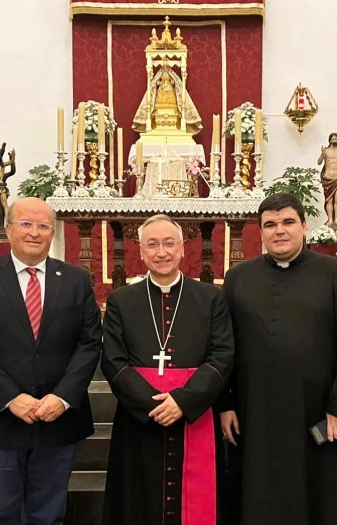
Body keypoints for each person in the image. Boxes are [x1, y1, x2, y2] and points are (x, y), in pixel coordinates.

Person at [219, 193, 337, 524]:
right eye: (270, 225)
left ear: (304, 226)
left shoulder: (336, 274)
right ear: (260, 232)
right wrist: (226, 403)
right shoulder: (238, 278)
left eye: (288, 222)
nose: (279, 231)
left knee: (322, 497)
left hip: (318, 413)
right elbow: (224, 346)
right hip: (254, 411)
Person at [0, 197, 102, 525]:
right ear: (9, 230)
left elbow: (90, 343)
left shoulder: (76, 280)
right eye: (25, 224)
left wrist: (63, 397)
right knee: (0, 515)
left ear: (53, 233)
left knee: (49, 516)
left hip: (57, 418)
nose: (34, 232)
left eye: (43, 225)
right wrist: (10, 397)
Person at [101, 214, 234, 525]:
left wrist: (184, 401)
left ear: (182, 249)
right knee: (137, 497)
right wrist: (153, 406)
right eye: (153, 245)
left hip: (195, 411)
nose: (161, 252)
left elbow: (223, 355)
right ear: (142, 252)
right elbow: (113, 360)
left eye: (169, 243)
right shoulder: (121, 300)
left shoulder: (211, 298)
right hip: (141, 417)